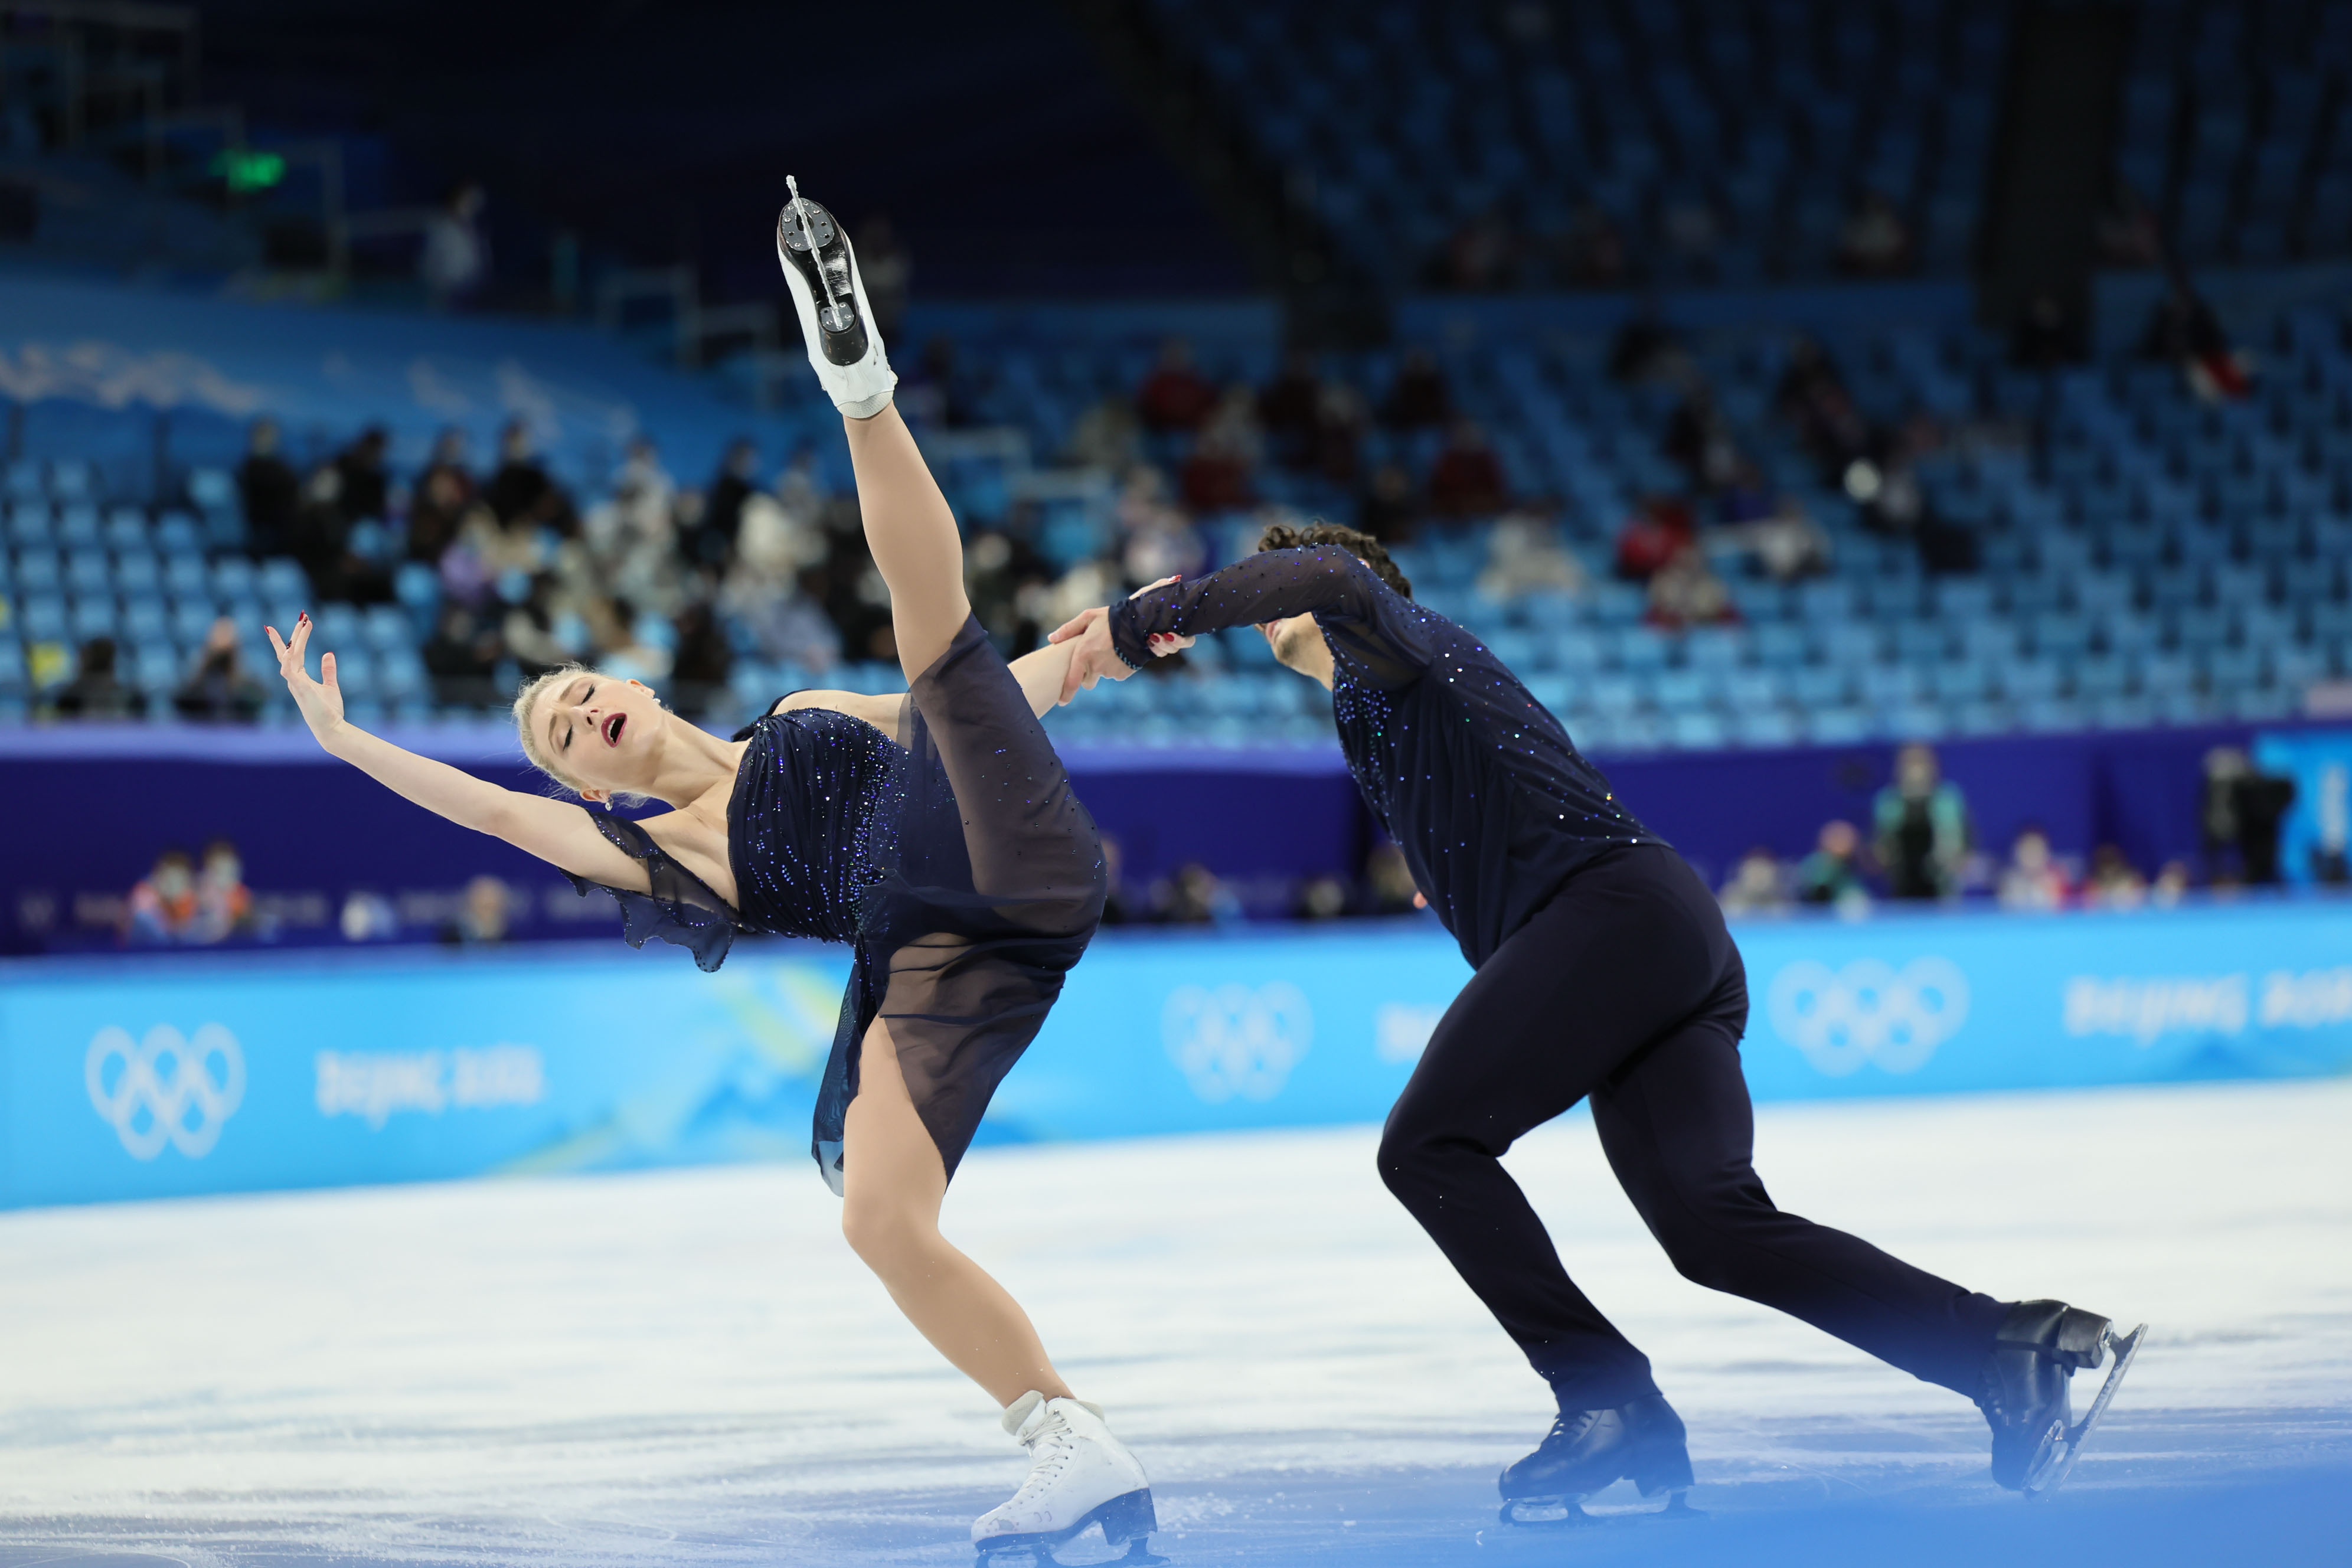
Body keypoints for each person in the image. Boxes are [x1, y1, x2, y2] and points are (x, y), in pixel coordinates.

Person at [261, 179, 1156, 1564]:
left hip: (999, 840)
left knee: (934, 657)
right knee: (875, 1213)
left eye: (574, 691)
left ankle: (860, 384)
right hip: (947, 954)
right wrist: (345, 739)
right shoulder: (654, 850)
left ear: (630, 679)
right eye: (558, 736)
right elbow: (489, 819)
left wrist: (1082, 659)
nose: (574, 714)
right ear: (585, 784)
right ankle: (1068, 1440)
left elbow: (957, 714)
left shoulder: (798, 711)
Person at [1051, 519, 2138, 1515]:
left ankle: (1606, 1397)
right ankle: (2004, 1349)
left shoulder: (1397, 647)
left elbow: (1327, 572)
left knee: (1426, 1146)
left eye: (1280, 582)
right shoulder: (1373, 715)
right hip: (1658, 938)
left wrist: (1144, 621)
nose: (1275, 598)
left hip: (1611, 919)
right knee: (1711, 1228)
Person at [1873, 743, 1969, 901]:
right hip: (1901, 882)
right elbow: (1882, 846)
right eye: (1910, 765)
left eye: (1921, 764)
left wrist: (1950, 862)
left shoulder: (1948, 800)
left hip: (1941, 882)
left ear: (1933, 767)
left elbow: (1961, 843)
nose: (1916, 771)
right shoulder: (1888, 802)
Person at [173, 619, 268, 723]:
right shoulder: (196, 682)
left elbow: (257, 704)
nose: (224, 642)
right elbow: (183, 701)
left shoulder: (248, 685)